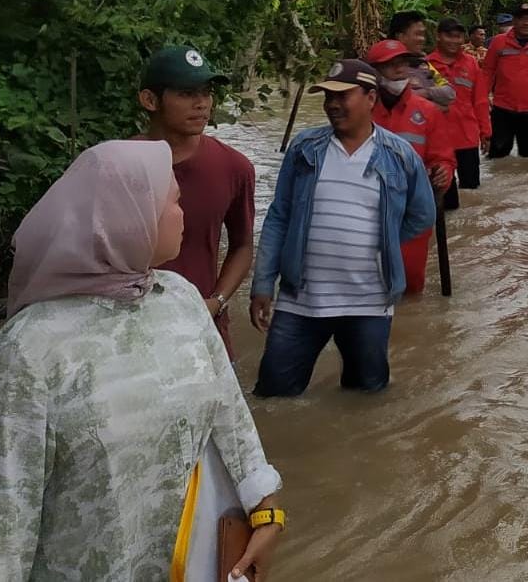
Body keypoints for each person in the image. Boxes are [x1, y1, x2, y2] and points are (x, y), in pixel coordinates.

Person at [0, 141, 283, 581]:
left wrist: (265, 507)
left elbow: (229, 413)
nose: (182, 213)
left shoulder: (181, 299)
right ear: (129, 218)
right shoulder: (30, 350)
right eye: (172, 202)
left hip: (190, 560)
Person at [250, 60, 436, 397]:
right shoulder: (305, 149)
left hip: (369, 302)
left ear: (370, 98)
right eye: (327, 97)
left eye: (342, 95)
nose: (333, 104)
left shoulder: (400, 155)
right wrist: (263, 284)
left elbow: (422, 216)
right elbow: (279, 216)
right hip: (300, 300)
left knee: (365, 399)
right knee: (273, 396)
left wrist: (384, 243)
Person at [136, 44, 254, 360]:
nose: (202, 103)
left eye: (206, 92)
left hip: (202, 326)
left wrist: (214, 303)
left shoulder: (234, 167)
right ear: (150, 100)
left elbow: (242, 246)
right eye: (187, 93)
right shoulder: (119, 165)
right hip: (133, 327)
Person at [365, 40, 456, 294]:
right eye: (390, 65)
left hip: (412, 209)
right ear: (375, 71)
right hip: (368, 206)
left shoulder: (428, 111)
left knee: (411, 281)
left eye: (403, 63)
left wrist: (443, 172)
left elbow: (443, 156)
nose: (400, 70)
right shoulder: (362, 110)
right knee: (369, 281)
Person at [475, 3, 528, 159]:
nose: (526, 23)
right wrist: (483, 97)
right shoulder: (499, 42)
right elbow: (487, 72)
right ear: (514, 21)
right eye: (522, 19)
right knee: (498, 155)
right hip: (502, 109)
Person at [429, 18, 491, 211]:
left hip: (467, 138)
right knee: (444, 198)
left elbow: (480, 101)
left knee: (472, 192)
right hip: (437, 141)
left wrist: (486, 132)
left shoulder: (471, 64)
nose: (454, 41)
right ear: (438, 36)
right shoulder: (426, 65)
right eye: (449, 36)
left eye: (458, 37)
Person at [388, 10, 455, 111]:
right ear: (400, 37)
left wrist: (425, 93)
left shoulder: (424, 64)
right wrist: (434, 103)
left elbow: (449, 93)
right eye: (418, 34)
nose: (422, 39)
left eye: (423, 34)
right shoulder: (386, 64)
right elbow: (397, 100)